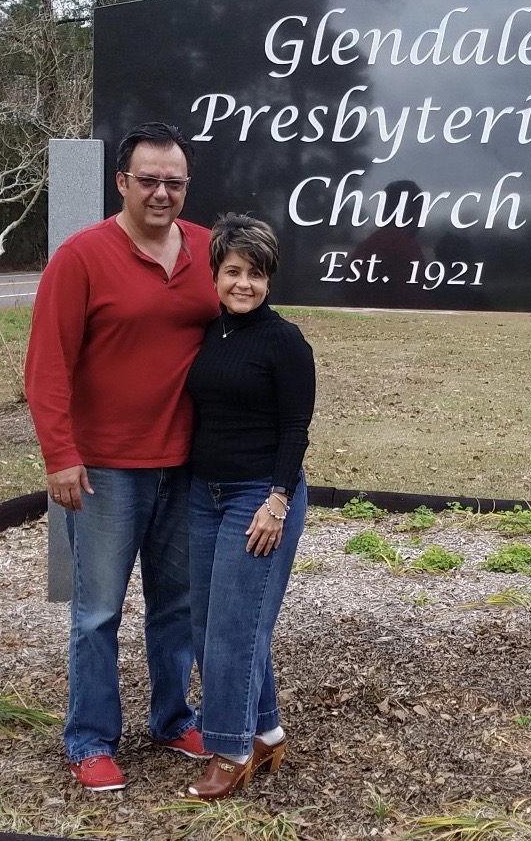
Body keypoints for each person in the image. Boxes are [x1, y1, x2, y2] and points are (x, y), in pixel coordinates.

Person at [24, 121, 220, 792]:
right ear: (121, 182)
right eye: (149, 180)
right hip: (106, 468)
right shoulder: (81, 257)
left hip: (187, 464)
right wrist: (60, 454)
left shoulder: (206, 248)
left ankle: (172, 717)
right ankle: (89, 739)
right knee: (99, 609)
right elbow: (46, 364)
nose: (162, 192)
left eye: (174, 182)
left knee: (176, 605)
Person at [184, 213, 316, 800]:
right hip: (203, 494)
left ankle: (229, 749)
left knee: (236, 629)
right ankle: (265, 731)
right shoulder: (212, 333)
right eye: (234, 271)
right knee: (209, 623)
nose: (244, 284)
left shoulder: (285, 341)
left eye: (256, 274)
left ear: (270, 280)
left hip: (258, 498)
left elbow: (295, 428)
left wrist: (277, 501)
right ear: (215, 274)